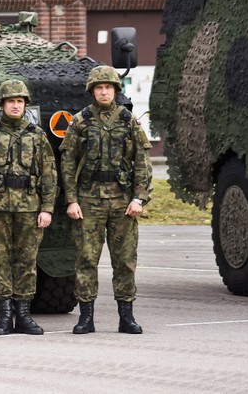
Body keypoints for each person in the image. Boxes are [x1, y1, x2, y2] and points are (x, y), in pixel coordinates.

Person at [60, 65, 152, 335]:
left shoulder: (128, 121)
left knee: (124, 261)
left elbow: (142, 162)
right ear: (92, 91)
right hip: (88, 200)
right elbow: (68, 162)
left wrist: (139, 198)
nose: (103, 92)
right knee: (86, 259)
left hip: (123, 202)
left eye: (108, 87)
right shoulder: (80, 121)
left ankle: (126, 317)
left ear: (115, 90)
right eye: (99, 88)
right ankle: (86, 317)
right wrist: (71, 199)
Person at [0, 79, 57, 335]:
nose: (16, 105)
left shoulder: (36, 134)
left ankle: (24, 314)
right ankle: (5, 314)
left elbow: (49, 174)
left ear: (25, 104)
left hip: (30, 208)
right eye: (11, 101)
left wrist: (47, 208)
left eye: (20, 101)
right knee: (0, 260)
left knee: (27, 260)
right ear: (2, 104)